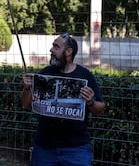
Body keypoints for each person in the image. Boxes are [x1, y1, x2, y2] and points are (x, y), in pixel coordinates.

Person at [21, 33, 105, 166]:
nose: (51, 50)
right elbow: (25, 105)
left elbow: (100, 110)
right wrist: (26, 88)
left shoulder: (85, 76)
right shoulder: (44, 74)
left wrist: (90, 102)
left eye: (56, 47)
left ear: (68, 52)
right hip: (44, 148)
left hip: (76, 149)